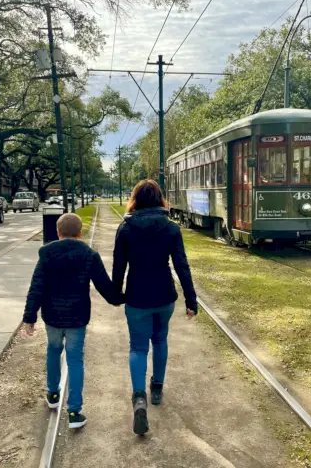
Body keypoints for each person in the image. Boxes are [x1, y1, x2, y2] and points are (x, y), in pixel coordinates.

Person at [112, 179, 198, 436]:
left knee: (138, 347)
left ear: (135, 199)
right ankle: (157, 388)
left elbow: (119, 267)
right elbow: (182, 267)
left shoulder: (125, 228)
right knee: (160, 341)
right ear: (160, 198)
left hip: (137, 297)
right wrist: (191, 301)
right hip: (164, 297)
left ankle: (139, 399)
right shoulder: (171, 229)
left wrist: (117, 294)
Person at [23, 213, 123, 429]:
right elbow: (103, 284)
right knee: (75, 360)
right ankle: (75, 411)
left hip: (52, 316)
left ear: (58, 232)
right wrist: (117, 300)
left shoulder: (47, 254)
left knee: (53, 350)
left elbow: (37, 287)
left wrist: (29, 317)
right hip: (77, 317)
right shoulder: (88, 254)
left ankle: (52, 393)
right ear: (80, 232)